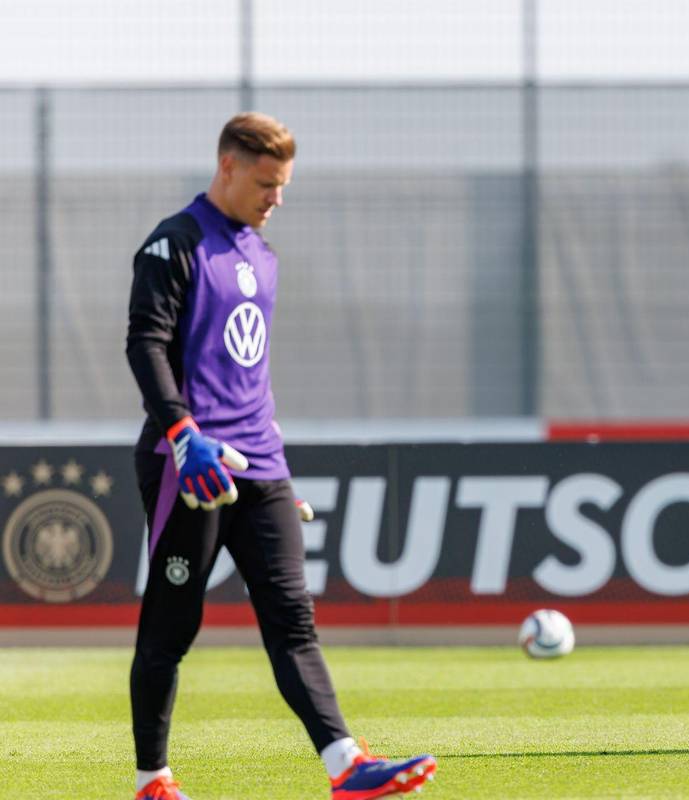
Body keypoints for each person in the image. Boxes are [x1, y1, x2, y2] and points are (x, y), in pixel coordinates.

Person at [125, 112, 437, 798]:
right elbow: (144, 345)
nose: (277, 199)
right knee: (172, 628)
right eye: (266, 183)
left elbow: (249, 370)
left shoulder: (262, 255)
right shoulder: (173, 243)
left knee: (293, 619)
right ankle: (153, 779)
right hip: (191, 467)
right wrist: (182, 434)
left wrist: (275, 467)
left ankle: (346, 766)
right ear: (228, 167)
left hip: (258, 462)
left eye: (284, 185)